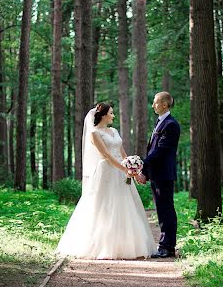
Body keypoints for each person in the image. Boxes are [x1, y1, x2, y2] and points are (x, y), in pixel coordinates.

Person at [56, 103, 156, 259]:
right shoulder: (94, 133)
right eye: (111, 113)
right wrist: (125, 169)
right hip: (107, 171)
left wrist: (133, 169)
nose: (113, 116)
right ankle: (103, 245)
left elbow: (122, 152)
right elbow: (106, 156)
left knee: (124, 205)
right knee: (104, 206)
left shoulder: (114, 131)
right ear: (102, 115)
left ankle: (126, 244)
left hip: (122, 172)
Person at [136, 92, 180, 258]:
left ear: (164, 105)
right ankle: (164, 245)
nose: (153, 105)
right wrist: (146, 173)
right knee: (161, 210)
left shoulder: (171, 125)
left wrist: (142, 164)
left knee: (166, 210)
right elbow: (152, 150)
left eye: (155, 103)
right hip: (157, 174)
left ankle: (167, 247)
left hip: (164, 174)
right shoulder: (160, 122)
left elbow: (160, 151)